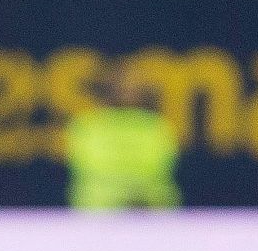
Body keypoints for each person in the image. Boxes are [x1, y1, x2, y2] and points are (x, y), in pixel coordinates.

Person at [64, 59, 182, 211]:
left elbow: (161, 167)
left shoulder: (155, 125)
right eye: (122, 86)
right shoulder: (87, 125)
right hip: (98, 215)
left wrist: (136, 197)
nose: (127, 91)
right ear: (107, 87)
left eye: (132, 86)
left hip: (151, 212)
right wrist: (123, 196)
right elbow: (90, 166)